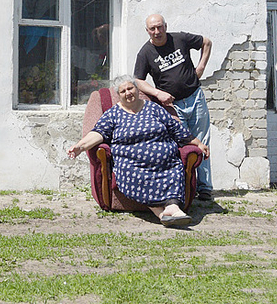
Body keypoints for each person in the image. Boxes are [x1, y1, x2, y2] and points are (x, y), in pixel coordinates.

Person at [68, 75, 208, 226]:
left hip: (165, 161)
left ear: (137, 89)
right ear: (118, 95)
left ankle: (170, 209)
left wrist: (198, 143)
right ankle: (169, 212)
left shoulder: (153, 108)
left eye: (130, 88)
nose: (128, 93)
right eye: (123, 91)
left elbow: (176, 129)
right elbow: (98, 133)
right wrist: (80, 147)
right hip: (131, 163)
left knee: (173, 168)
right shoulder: (113, 114)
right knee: (135, 174)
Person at [132, 13, 213, 200]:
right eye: (152, 28)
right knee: (181, 144)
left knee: (202, 141)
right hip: (172, 105)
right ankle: (184, 188)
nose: (157, 31)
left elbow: (206, 42)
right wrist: (157, 93)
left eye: (159, 27)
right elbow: (138, 80)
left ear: (165, 26)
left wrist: (200, 67)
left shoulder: (180, 38)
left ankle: (205, 187)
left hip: (195, 97)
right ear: (147, 31)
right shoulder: (145, 53)